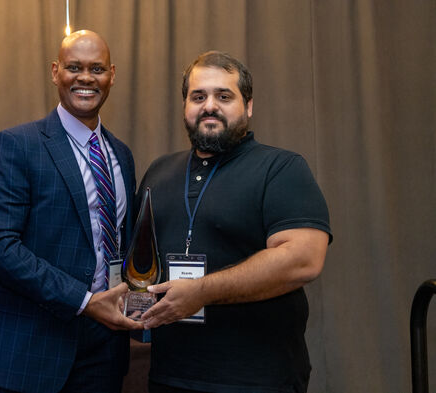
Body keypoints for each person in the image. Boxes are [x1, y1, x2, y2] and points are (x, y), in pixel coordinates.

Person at [138, 51, 332, 393]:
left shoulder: (281, 168)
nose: (209, 106)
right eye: (198, 96)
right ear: (185, 106)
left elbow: (304, 260)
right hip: (169, 376)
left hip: (258, 379)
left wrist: (201, 291)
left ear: (249, 106)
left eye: (224, 96)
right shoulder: (159, 171)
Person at [0, 30, 143, 393]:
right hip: (33, 350)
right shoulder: (18, 145)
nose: (85, 78)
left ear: (112, 74)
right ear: (54, 72)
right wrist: (83, 301)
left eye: (96, 68)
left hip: (105, 350)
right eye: (73, 67)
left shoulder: (121, 155)